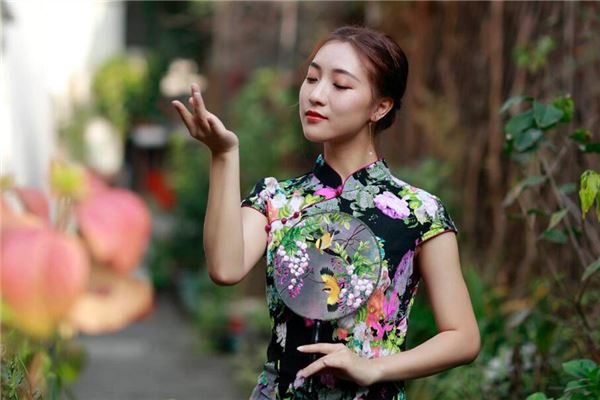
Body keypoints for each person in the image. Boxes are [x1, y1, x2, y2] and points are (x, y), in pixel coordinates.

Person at [172, 25, 480, 400]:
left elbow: (463, 337)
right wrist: (223, 155)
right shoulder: (277, 199)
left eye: (341, 85)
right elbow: (225, 268)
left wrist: (374, 367)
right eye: (312, 78)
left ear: (380, 107)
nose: (316, 95)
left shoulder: (419, 212)